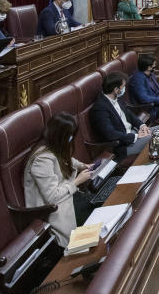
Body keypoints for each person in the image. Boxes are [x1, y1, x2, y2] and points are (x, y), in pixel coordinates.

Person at [23, 112, 93, 246]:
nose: (72, 139)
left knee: (98, 203)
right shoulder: (42, 160)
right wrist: (77, 181)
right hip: (54, 210)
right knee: (95, 211)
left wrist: (82, 165)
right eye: (70, 136)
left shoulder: (52, 146)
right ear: (62, 136)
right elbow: (52, 197)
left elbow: (65, 159)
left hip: (67, 198)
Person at [90, 71, 151, 157]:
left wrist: (142, 125)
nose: (124, 89)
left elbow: (129, 114)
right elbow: (110, 134)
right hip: (123, 145)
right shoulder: (100, 108)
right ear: (116, 90)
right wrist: (135, 136)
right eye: (123, 87)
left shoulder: (116, 98)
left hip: (133, 133)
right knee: (154, 138)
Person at [128, 53, 159, 120]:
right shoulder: (137, 79)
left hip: (157, 102)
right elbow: (144, 98)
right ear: (149, 67)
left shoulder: (150, 73)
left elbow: (158, 87)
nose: (155, 66)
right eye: (154, 65)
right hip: (149, 109)